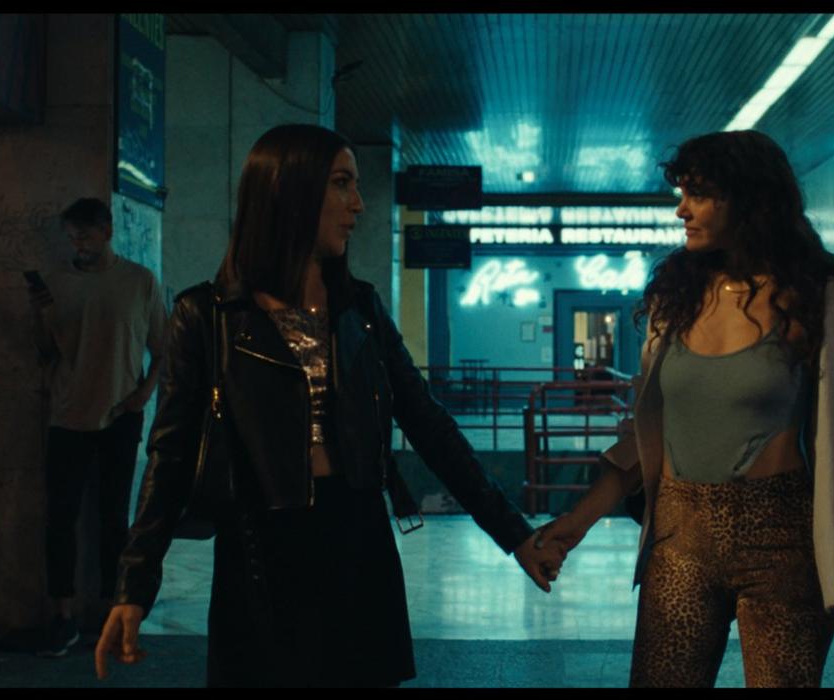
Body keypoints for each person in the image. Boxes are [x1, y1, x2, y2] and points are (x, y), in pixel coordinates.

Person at [94, 124, 565, 687]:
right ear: (289, 192)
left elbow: (430, 426)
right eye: (342, 184)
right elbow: (169, 457)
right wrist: (133, 587)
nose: (358, 204)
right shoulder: (208, 317)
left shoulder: (359, 309)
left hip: (359, 543)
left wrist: (515, 534)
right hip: (260, 553)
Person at [537, 130, 834, 687]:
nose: (681, 210)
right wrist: (575, 523)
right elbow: (646, 438)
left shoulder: (828, 304)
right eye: (682, 193)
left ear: (752, 200)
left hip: (784, 540)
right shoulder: (673, 302)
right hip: (680, 537)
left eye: (699, 194)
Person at [28, 197, 167, 657]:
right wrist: (38, 314)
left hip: (119, 417)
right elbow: (45, 353)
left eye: (85, 236)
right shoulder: (57, 283)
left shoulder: (139, 281)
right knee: (60, 519)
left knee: (113, 521)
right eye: (72, 238)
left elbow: (163, 349)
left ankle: (111, 612)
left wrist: (142, 396)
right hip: (67, 416)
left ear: (107, 231)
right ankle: (63, 615)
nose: (79, 246)